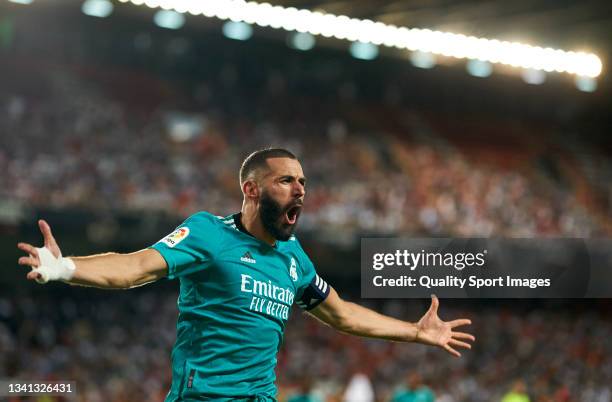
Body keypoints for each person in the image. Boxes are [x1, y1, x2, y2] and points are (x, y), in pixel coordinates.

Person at [17, 148, 475, 402]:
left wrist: (415, 332)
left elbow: (343, 315)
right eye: (286, 181)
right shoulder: (208, 233)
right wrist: (67, 267)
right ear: (251, 189)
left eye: (303, 183)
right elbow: (136, 267)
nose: (300, 189)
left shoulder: (295, 260)